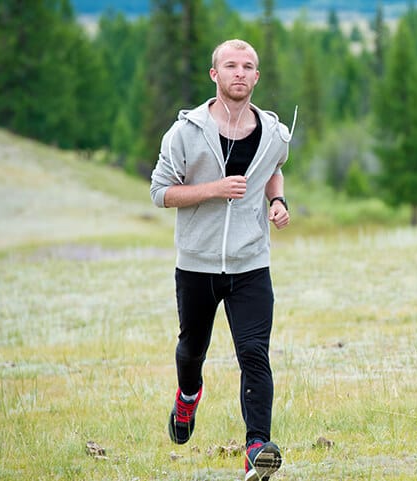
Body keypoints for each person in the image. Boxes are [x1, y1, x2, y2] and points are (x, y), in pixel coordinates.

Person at [150, 38, 295, 481]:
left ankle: (256, 448)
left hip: (251, 262)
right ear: (215, 75)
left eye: (247, 66)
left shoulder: (273, 132)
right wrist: (214, 189)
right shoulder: (185, 133)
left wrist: (277, 200)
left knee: (254, 353)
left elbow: (273, 166)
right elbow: (160, 192)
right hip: (196, 264)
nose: (239, 73)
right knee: (192, 350)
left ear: (256, 77)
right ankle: (188, 396)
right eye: (230, 65)